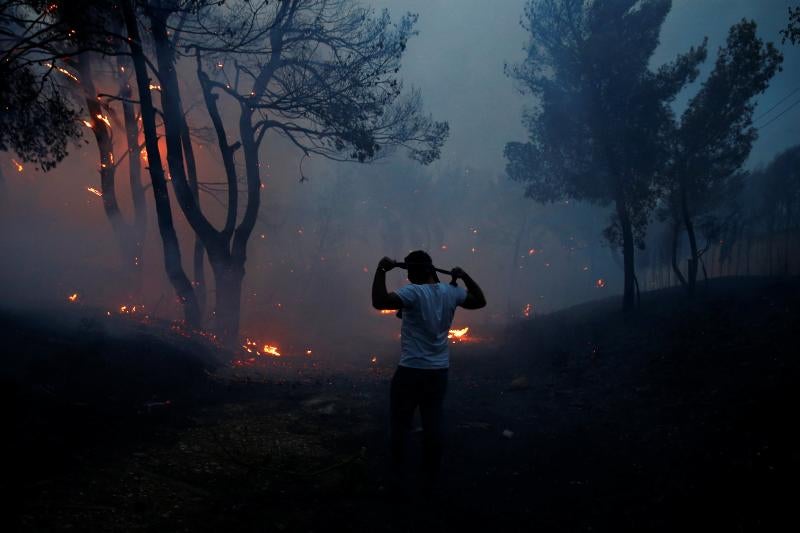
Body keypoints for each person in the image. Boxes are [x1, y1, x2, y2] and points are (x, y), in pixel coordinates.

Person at [372, 250, 486, 494]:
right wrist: (464, 276)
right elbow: (480, 300)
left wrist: (381, 270)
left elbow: (379, 301)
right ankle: (430, 479)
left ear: (416, 273)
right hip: (438, 372)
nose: (409, 279)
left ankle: (396, 477)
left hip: (411, 371)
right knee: (433, 425)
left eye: (410, 274)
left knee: (400, 424)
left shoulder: (414, 292)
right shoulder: (451, 291)